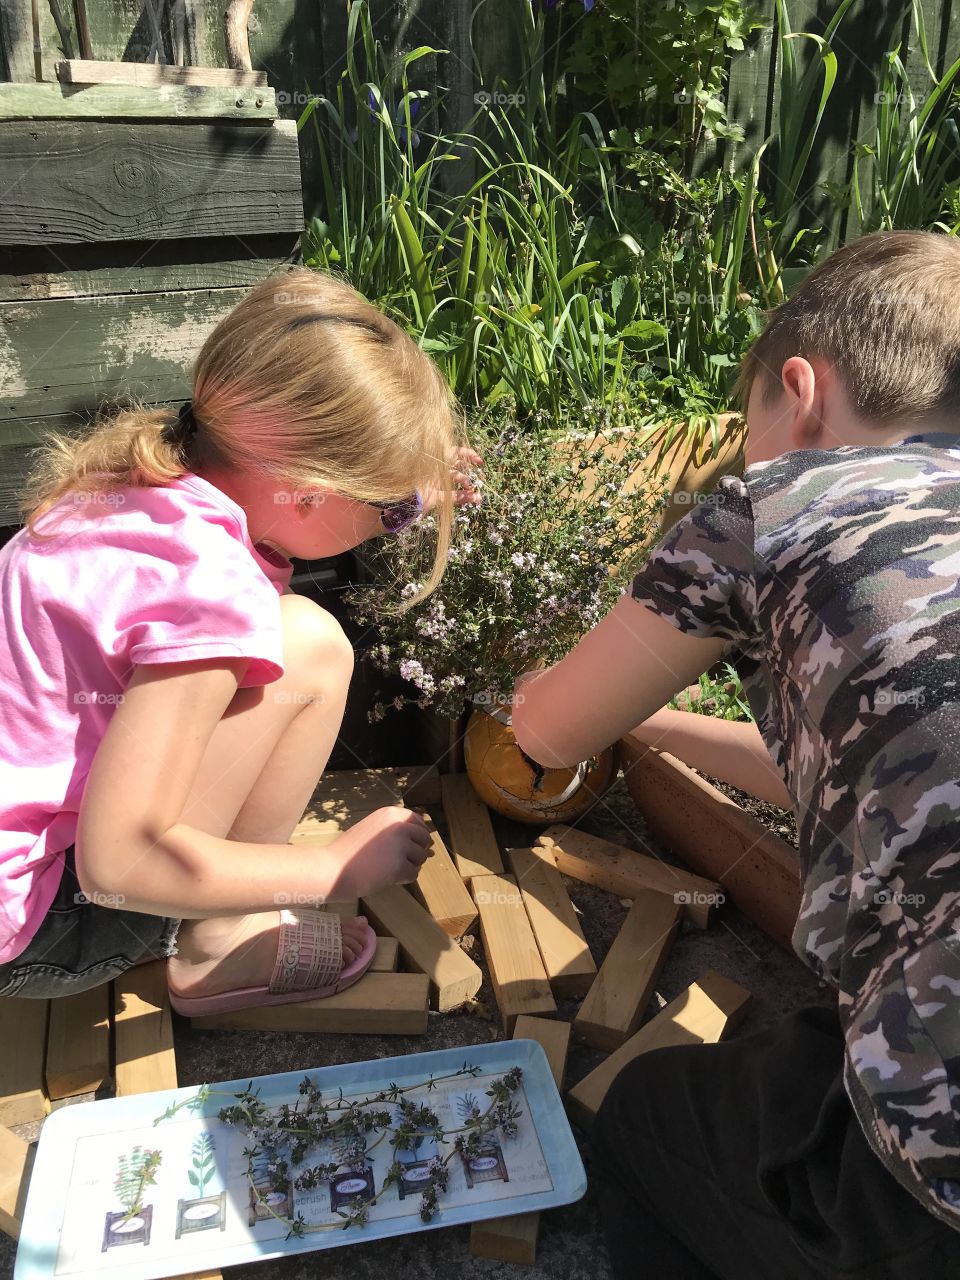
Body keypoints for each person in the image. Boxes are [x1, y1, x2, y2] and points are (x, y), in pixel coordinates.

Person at [512, 229, 960, 1278]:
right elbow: (862, 782)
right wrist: (658, 723)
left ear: (797, 390)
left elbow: (544, 733)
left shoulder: (778, 503)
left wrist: (538, 690)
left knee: (645, 1115)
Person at [0, 268, 482, 1015]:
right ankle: (221, 938)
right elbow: (118, 865)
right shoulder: (210, 590)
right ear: (310, 487)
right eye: (390, 512)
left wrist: (410, 488)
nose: (398, 522)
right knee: (313, 648)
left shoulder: (131, 485)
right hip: (39, 925)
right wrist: (327, 871)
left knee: (291, 639)